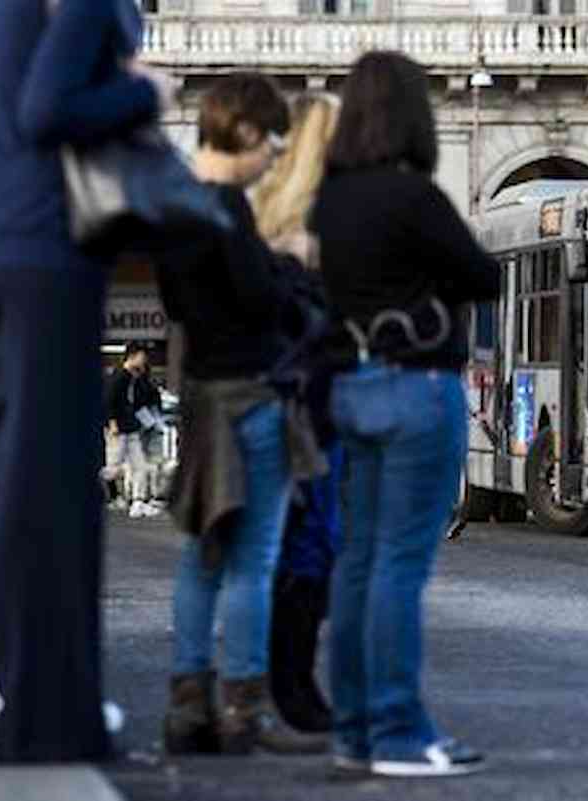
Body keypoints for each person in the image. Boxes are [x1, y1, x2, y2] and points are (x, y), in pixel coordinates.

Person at [0, 0, 177, 762]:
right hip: (48, 241)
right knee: (54, 487)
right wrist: (150, 91)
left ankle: (40, 700)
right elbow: (48, 106)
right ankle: (51, 712)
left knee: (26, 477)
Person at [311, 51, 500, 777]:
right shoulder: (412, 197)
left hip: (351, 388)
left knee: (358, 562)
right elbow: (481, 273)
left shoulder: (330, 199)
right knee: (400, 564)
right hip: (419, 388)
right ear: (413, 115)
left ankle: (354, 727)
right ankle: (397, 729)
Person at [157, 72, 327, 757]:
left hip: (200, 396)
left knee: (202, 555)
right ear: (248, 133)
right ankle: (245, 708)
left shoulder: (174, 204)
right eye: (273, 144)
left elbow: (175, 304)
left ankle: (187, 705)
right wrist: (288, 264)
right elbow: (261, 302)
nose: (273, 160)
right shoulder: (228, 209)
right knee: (254, 561)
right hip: (252, 398)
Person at [251, 92, 342, 733]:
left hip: (288, 395)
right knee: (310, 542)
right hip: (312, 400)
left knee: (289, 543)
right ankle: (291, 683)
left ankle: (283, 680)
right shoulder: (309, 227)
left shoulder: (269, 214)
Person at [105, 341, 160, 519]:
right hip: (119, 428)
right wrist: (112, 423)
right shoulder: (119, 376)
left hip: (131, 427)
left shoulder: (133, 377)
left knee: (140, 467)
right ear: (133, 356)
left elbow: (137, 400)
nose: (145, 360)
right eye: (142, 356)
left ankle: (138, 502)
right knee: (113, 468)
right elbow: (109, 401)